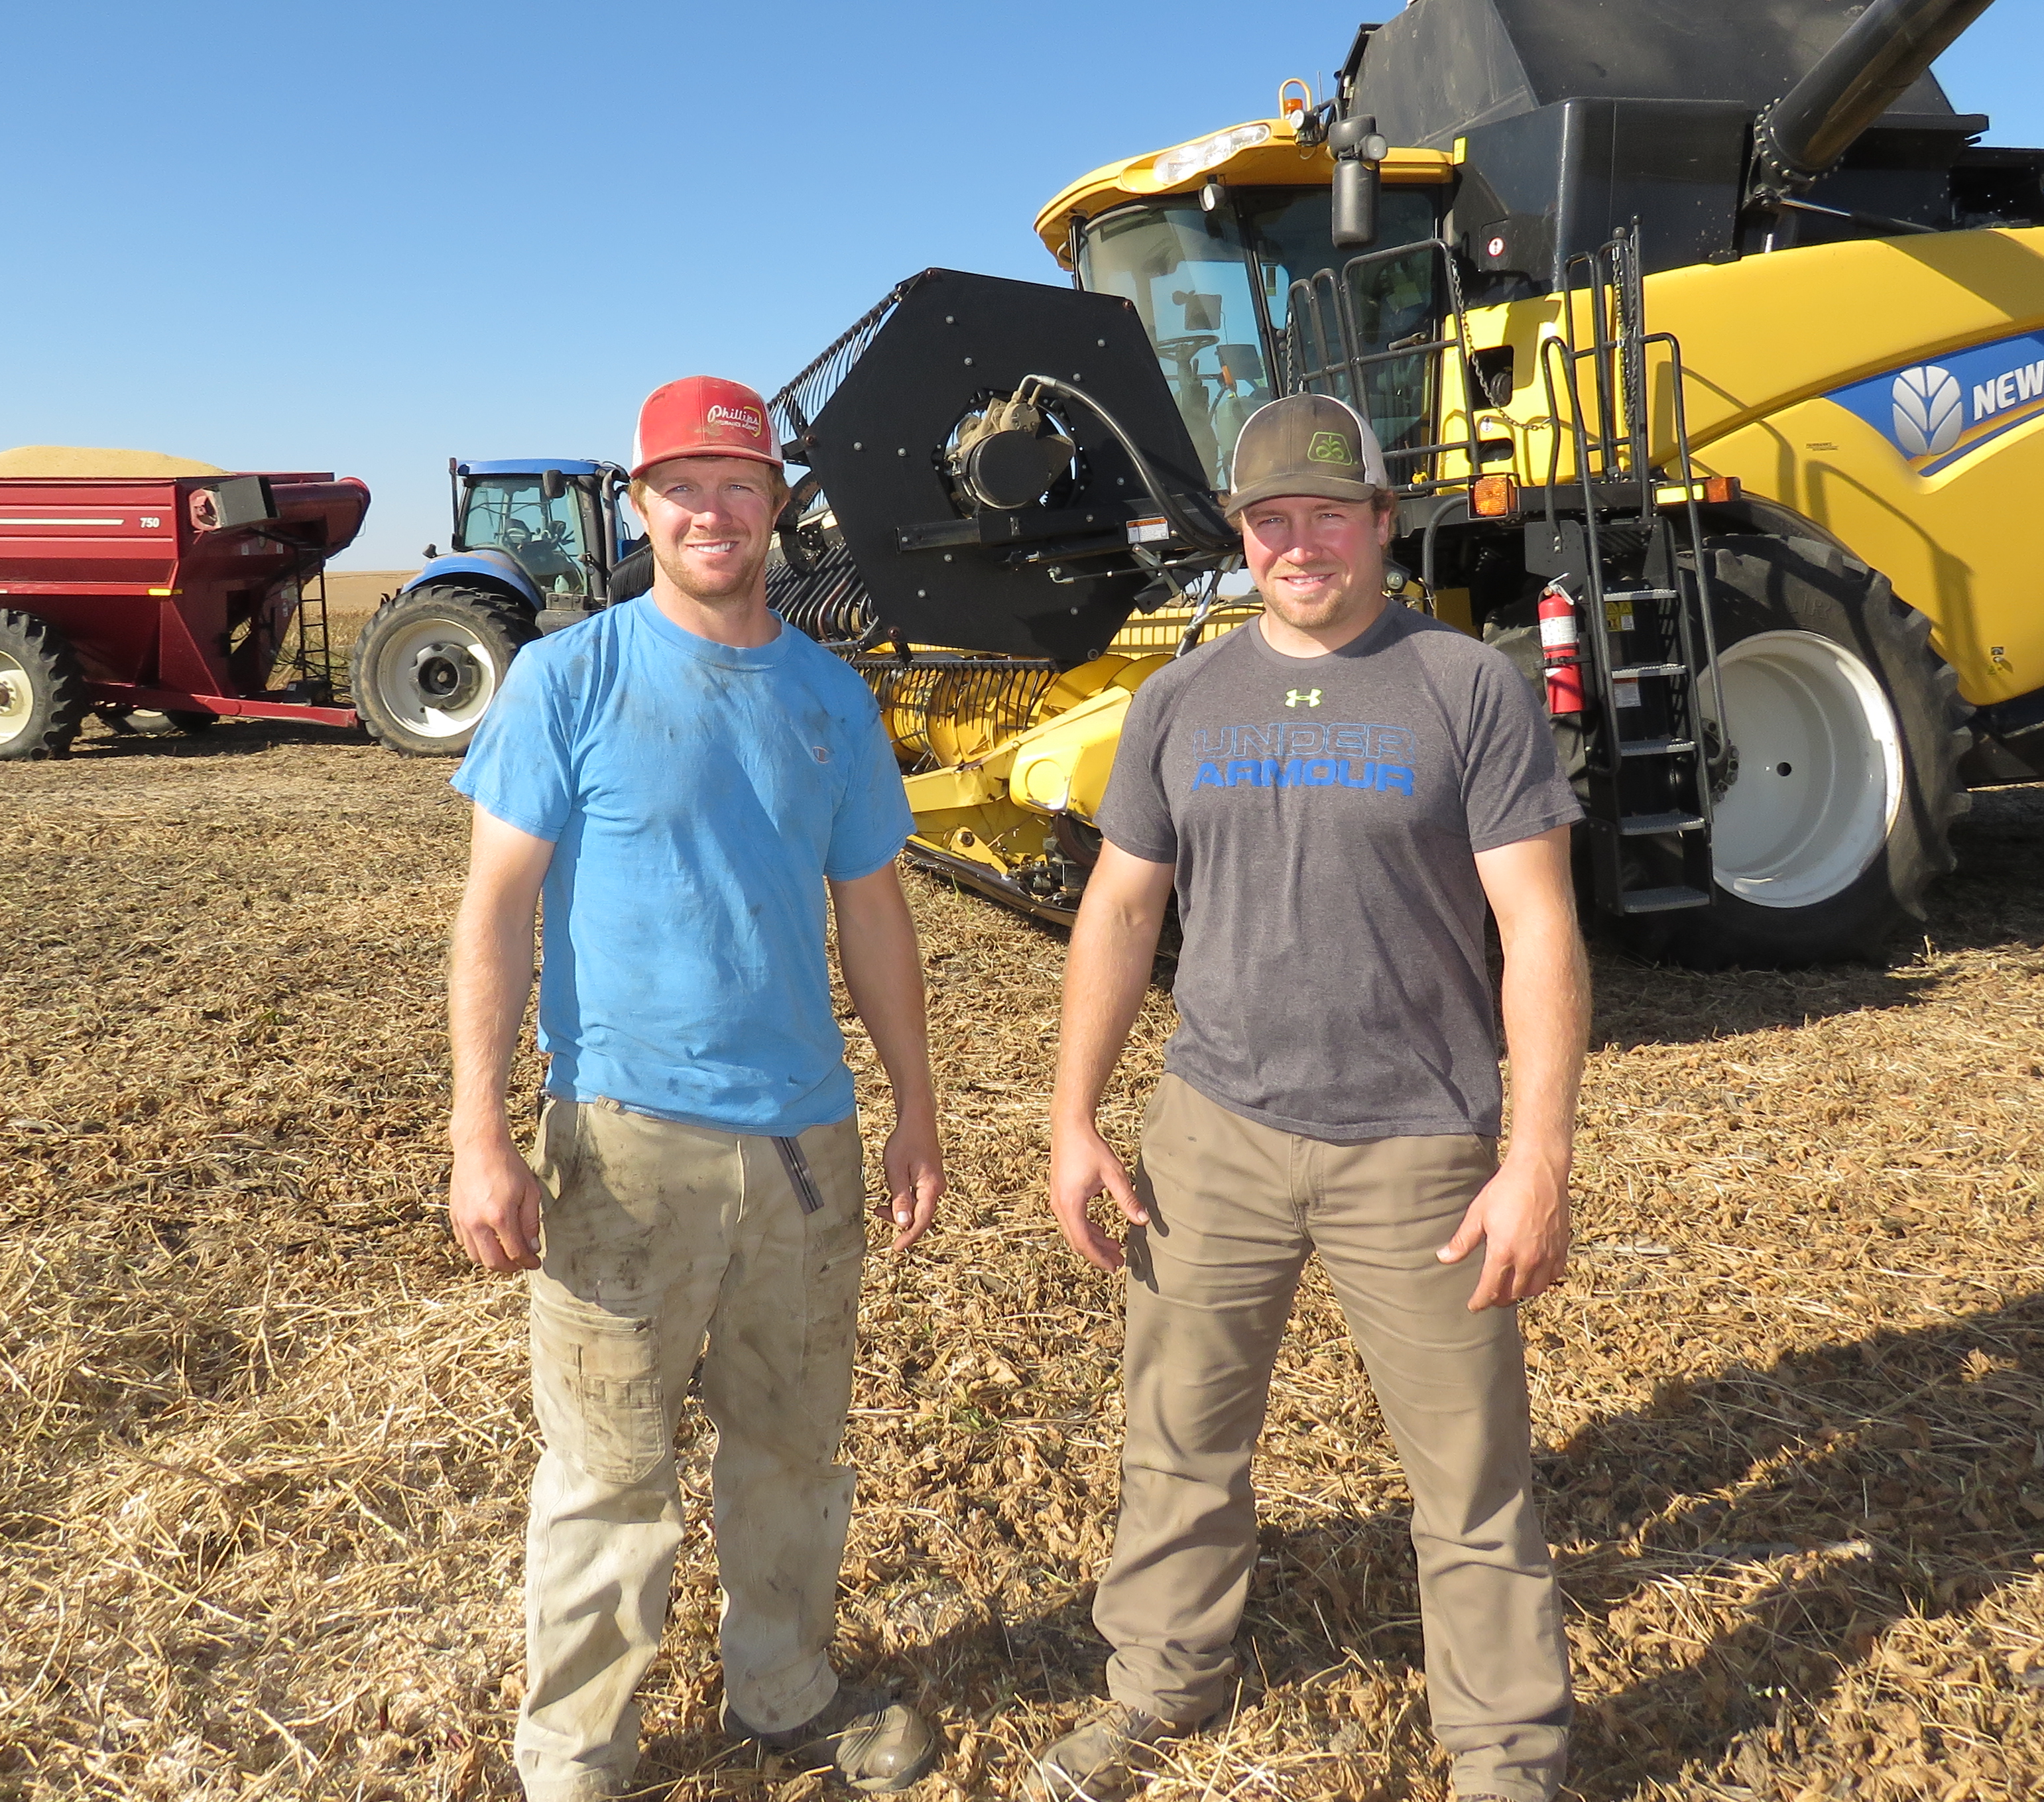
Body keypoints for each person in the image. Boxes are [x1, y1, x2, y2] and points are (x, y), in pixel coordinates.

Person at [1036, 392, 1592, 1802]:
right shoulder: (1182, 697)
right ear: (1242, 534)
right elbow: (1117, 909)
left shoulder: (1466, 687)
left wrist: (1536, 1156)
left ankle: (1505, 1754)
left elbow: (1537, 928)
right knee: (1180, 1443)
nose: (1301, 543)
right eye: (1272, 518)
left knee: (1471, 1477)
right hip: (1213, 1132)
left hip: (1419, 1143)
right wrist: (1074, 1114)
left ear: (1381, 522)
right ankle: (1162, 1685)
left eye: (1328, 515)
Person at [446, 373, 949, 1801]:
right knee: (610, 1475)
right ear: (642, 504)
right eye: (682, 485)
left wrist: (913, 1108)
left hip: (803, 1145)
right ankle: (576, 1760)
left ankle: (784, 1688)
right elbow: (495, 911)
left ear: (777, 504)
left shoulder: (828, 695)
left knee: (792, 1446)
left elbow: (874, 916)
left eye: (739, 485)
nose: (712, 510)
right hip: (622, 1143)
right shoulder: (572, 678)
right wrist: (480, 1132)